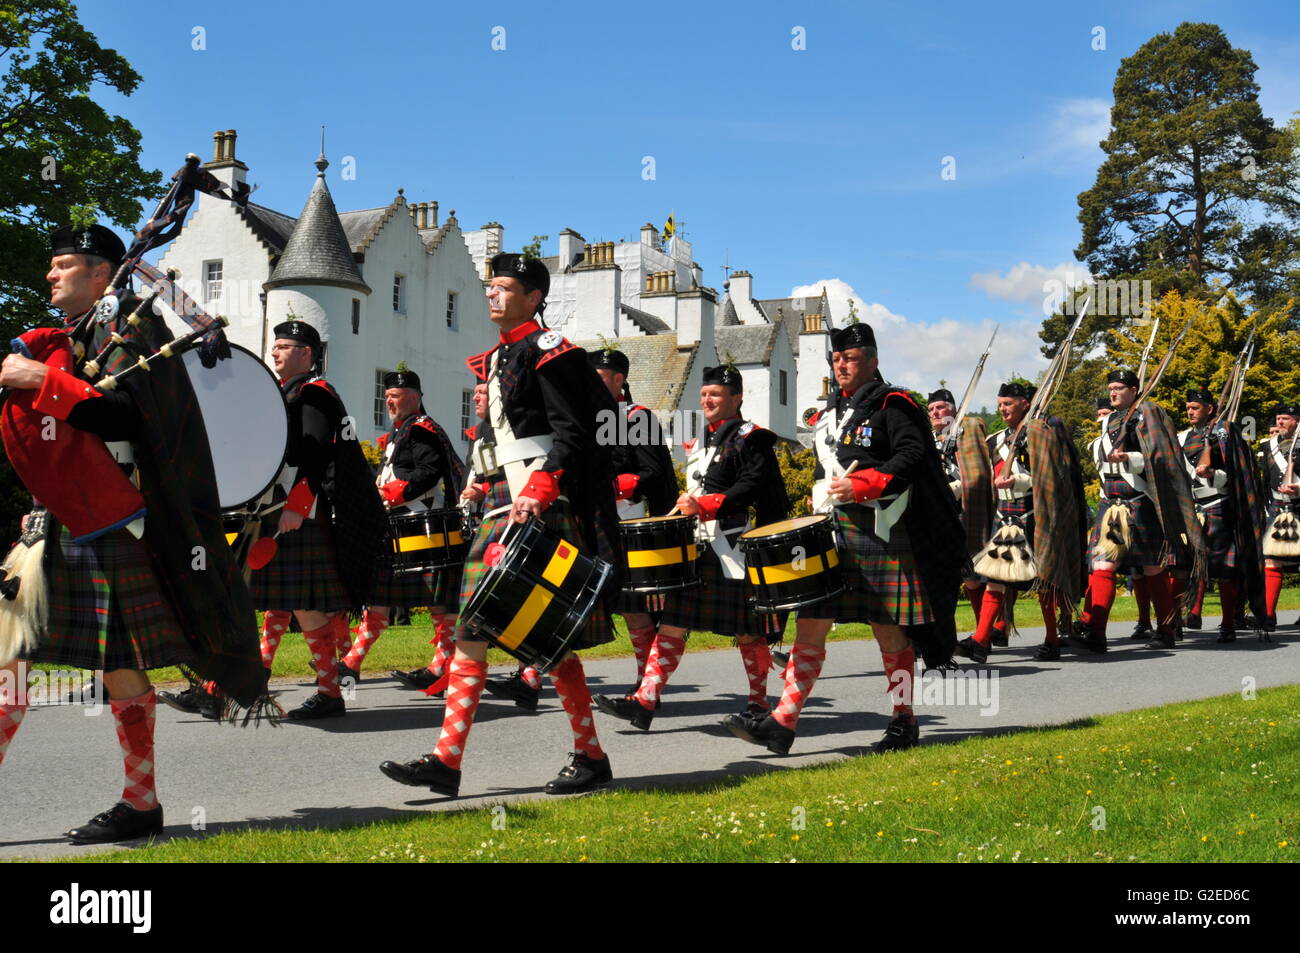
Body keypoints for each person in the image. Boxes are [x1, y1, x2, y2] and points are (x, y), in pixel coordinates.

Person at [0, 224, 262, 842]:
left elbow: (130, 417)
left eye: (63, 265)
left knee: (62, 659)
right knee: (41, 658)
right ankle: (141, 803)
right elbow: (67, 441)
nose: (50, 275)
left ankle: (141, 803)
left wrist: (44, 384)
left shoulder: (133, 335)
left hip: (110, 522)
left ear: (100, 274)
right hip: (66, 519)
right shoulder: (73, 338)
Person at [379, 251, 622, 796]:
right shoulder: (500, 357)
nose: (492, 294)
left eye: (504, 287)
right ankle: (447, 761)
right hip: (499, 503)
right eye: (489, 286)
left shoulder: (550, 350)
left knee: (548, 638)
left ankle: (589, 755)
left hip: (540, 503)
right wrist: (480, 479)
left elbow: (577, 430)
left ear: (533, 298)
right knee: (473, 629)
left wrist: (541, 484)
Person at [725, 321, 966, 755]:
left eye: (850, 358)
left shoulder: (895, 405)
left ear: (872, 361)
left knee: (888, 632)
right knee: (810, 625)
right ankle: (783, 720)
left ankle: (903, 719)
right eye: (836, 359)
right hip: (832, 532)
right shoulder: (829, 413)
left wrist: (865, 484)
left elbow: (913, 456)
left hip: (881, 531)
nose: (841, 365)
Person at [593, 363, 788, 730]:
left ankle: (759, 702)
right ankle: (645, 700)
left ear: (737, 398)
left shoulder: (753, 436)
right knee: (673, 623)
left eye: (715, 394)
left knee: (749, 632)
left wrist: (708, 504)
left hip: (733, 547)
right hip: (699, 546)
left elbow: (751, 485)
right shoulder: (702, 437)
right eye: (703, 395)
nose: (707, 400)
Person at [249, 319, 386, 719]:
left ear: (306, 354)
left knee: (305, 606)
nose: (275, 351)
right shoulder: (285, 392)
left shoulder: (313, 393)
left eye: (284, 346)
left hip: (299, 510)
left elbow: (316, 453)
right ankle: (327, 691)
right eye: (274, 345)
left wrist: (298, 504)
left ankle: (329, 692)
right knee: (299, 606)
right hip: (281, 507)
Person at [339, 368, 465, 683]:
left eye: (395, 396)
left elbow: (428, 472)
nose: (389, 402)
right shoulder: (402, 430)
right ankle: (350, 663)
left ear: (414, 396)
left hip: (424, 527)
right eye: (387, 396)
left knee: (438, 604)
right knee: (379, 599)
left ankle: (441, 669)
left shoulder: (421, 429)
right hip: (400, 528)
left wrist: (390, 494)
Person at [1074, 370, 1203, 652]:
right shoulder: (1108, 420)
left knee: (1153, 567)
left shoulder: (1149, 413)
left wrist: (1131, 457)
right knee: (1102, 565)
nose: (1113, 392)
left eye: (1119, 388)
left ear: (1134, 390)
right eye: (1110, 388)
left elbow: (1162, 454)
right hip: (1111, 502)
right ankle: (1096, 632)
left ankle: (1167, 628)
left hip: (1139, 500)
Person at [960, 380, 1085, 662]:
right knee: (995, 579)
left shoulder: (1039, 434)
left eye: (1008, 403)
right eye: (1000, 404)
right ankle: (981, 641)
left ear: (1024, 404)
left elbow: (1050, 476)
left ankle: (1052, 639)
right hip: (1005, 515)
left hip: (1032, 513)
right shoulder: (998, 440)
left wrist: (1018, 479)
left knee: (1044, 581)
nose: (1002, 409)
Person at [1260, 403, 1300, 630]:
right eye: (1278, 419)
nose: (1280, 423)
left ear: (1296, 420)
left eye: (1285, 418)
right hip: (1277, 507)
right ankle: (1268, 615)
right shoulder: (1270, 446)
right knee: (1271, 560)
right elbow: (1266, 480)